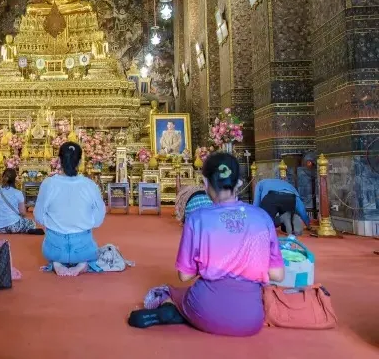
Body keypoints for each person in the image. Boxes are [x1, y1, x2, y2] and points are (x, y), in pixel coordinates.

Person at [128, 152, 285, 337]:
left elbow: (184, 276)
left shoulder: (197, 218)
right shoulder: (262, 217)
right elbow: (278, 274)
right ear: (239, 183)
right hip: (251, 320)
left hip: (204, 309)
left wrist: (211, 261)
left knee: (169, 292)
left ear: (205, 182)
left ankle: (174, 308)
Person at [34, 142, 106, 276]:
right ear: (79, 162)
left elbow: (38, 216)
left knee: (52, 245)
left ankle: (56, 262)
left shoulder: (48, 184)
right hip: (83, 247)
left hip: (54, 248)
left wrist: (55, 224)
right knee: (93, 250)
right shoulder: (89, 185)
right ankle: (84, 263)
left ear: (59, 160)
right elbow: (99, 219)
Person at [0, 168, 42, 234]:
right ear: (14, 179)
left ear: (2, 176)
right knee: (31, 223)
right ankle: (25, 229)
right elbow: (23, 213)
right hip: (12, 225)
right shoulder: (17, 193)